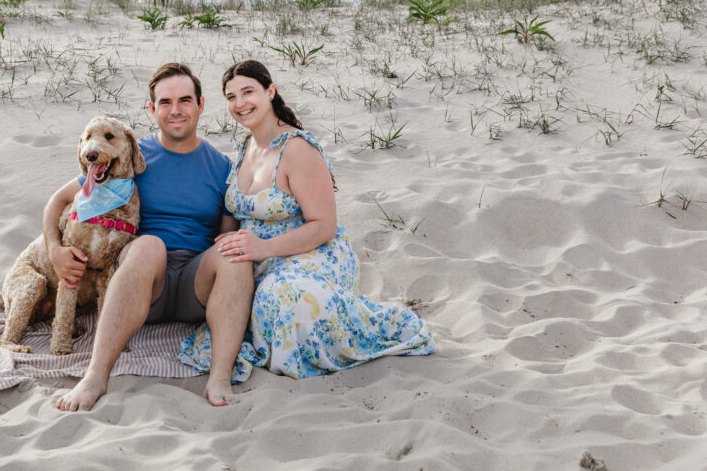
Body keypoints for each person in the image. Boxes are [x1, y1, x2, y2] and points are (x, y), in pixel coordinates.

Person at [179, 60, 435, 380]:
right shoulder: (243, 147)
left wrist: (263, 247)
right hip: (256, 254)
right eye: (231, 97)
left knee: (285, 297)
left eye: (248, 92)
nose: (239, 103)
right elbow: (234, 211)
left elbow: (323, 226)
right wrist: (225, 243)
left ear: (270, 91)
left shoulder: (298, 148)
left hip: (307, 252)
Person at [46, 62, 254, 410]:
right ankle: (95, 377)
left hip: (195, 286)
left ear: (201, 105)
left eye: (185, 100)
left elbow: (226, 234)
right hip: (144, 283)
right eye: (165, 102)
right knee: (149, 244)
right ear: (152, 109)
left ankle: (219, 377)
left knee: (234, 253)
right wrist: (54, 250)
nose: (176, 111)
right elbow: (60, 199)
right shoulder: (131, 156)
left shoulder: (221, 167)